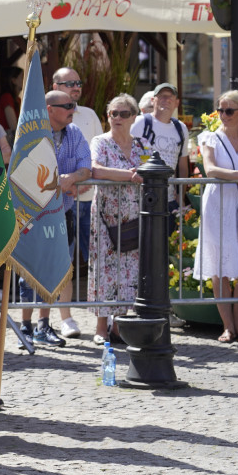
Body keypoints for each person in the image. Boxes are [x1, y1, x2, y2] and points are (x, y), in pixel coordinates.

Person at [17, 91, 91, 348]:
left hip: (62, 214)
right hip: (32, 215)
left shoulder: (76, 134)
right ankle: (25, 326)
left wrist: (71, 178)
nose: (73, 109)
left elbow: (87, 166)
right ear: (49, 109)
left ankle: (43, 325)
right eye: (68, 105)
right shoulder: (29, 134)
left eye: (73, 104)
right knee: (28, 271)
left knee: (54, 268)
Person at [89, 94, 149, 345]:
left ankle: (119, 325)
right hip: (106, 215)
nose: (118, 118)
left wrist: (140, 175)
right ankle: (101, 327)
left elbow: (151, 169)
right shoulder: (100, 141)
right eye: (113, 113)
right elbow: (96, 169)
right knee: (105, 270)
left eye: (124, 114)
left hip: (134, 215)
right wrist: (128, 175)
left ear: (134, 117)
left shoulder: (143, 144)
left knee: (129, 271)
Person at [51, 67, 104, 338]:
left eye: (78, 82)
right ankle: (61, 318)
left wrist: (70, 180)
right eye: (69, 83)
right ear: (56, 85)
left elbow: (93, 161)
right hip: (58, 207)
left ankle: (102, 319)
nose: (75, 87)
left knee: (97, 261)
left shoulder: (89, 117)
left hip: (88, 200)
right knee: (62, 264)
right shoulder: (40, 121)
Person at [193, 90, 238, 343]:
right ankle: (228, 326)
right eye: (220, 110)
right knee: (219, 265)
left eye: (230, 110)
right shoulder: (209, 137)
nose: (224, 115)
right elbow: (210, 168)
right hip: (217, 204)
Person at [131, 82, 189, 180]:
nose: (166, 100)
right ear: (153, 101)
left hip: (169, 193)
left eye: (171, 96)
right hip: (142, 191)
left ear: (177, 103)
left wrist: (180, 194)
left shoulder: (181, 128)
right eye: (162, 96)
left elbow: (183, 167)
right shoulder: (140, 122)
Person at [0, 66, 23, 135]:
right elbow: (13, 126)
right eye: (22, 77)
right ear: (14, 81)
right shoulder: (6, 97)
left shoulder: (18, 99)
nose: (25, 79)